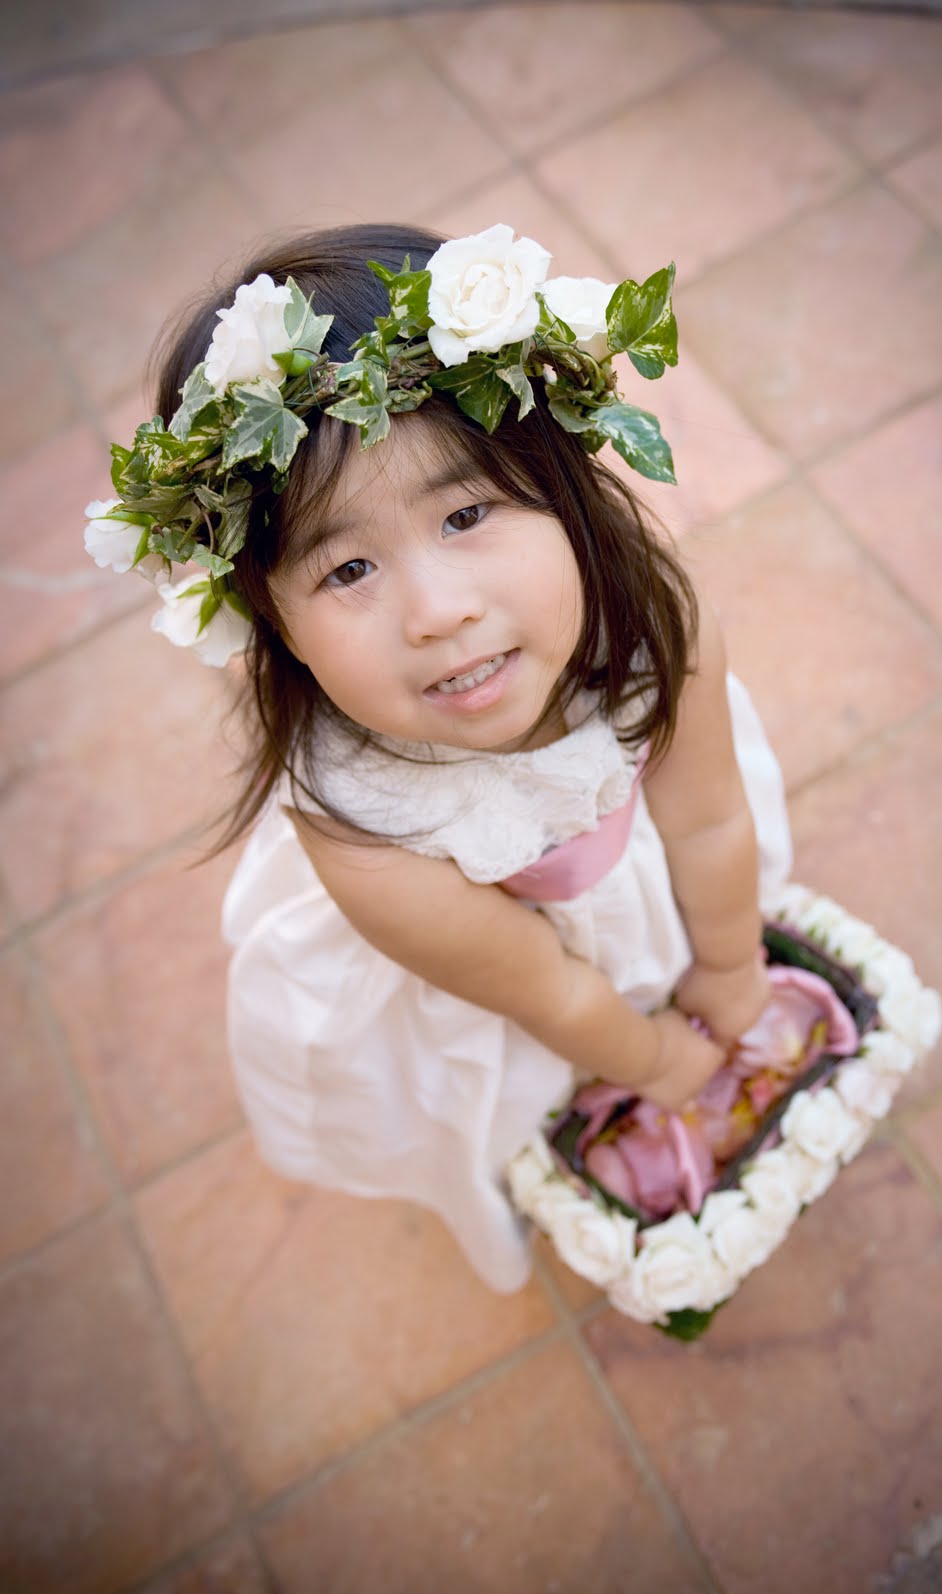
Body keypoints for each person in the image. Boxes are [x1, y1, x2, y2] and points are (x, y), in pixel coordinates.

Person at [86, 222, 792, 1292]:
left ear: (560, 483)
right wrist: (654, 1062)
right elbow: (546, 992)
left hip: (636, 875)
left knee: (698, 928)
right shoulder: (358, 814)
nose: (439, 611)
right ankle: (530, 1180)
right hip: (491, 980)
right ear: (268, 620)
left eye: (466, 512)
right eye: (349, 567)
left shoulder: (644, 620)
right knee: (512, 1096)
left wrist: (732, 966)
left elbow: (706, 818)